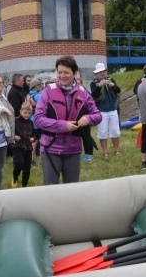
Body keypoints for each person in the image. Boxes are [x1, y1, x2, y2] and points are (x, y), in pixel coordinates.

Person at [34, 55, 102, 184]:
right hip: (50, 148)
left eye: (66, 72)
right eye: (60, 72)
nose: (62, 76)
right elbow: (38, 119)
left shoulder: (83, 93)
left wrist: (88, 118)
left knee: (71, 190)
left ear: (74, 73)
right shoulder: (48, 92)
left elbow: (97, 116)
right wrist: (62, 125)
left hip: (73, 149)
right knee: (50, 189)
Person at [90, 62, 122, 157]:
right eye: (100, 72)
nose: (102, 74)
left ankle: (116, 150)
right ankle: (105, 151)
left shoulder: (110, 80)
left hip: (113, 109)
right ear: (96, 74)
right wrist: (99, 86)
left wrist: (113, 85)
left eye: (103, 72)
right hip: (101, 111)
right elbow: (94, 95)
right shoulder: (93, 83)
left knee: (115, 131)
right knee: (102, 132)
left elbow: (118, 91)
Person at [11, 101, 35, 187]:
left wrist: (33, 138)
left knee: (27, 168)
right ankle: (15, 177)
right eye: (25, 113)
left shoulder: (31, 123)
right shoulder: (15, 121)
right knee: (19, 164)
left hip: (28, 147)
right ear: (21, 111)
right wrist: (13, 136)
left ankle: (25, 185)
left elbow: (33, 134)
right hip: (17, 146)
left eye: (29, 113)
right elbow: (9, 131)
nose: (27, 115)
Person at [75, 75, 98, 161]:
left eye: (79, 82)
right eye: (76, 83)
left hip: (85, 117)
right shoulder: (74, 92)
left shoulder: (85, 92)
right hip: (76, 118)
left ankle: (89, 154)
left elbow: (91, 105)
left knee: (86, 136)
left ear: (81, 83)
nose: (77, 84)